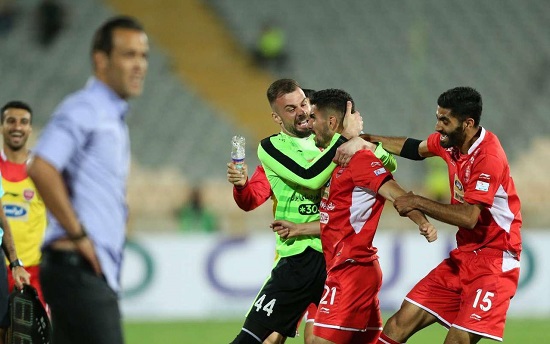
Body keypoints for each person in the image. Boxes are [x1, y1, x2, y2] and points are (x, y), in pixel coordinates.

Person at [345, 87, 522, 344]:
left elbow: (469, 217)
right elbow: (414, 148)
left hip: (495, 262)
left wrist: (417, 201)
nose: (437, 126)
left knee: (456, 341)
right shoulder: (451, 143)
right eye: (438, 117)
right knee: (398, 324)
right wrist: (365, 139)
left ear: (468, 123)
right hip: (464, 257)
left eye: (444, 120)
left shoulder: (488, 157)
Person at [227, 89, 397, 344]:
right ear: (277, 117)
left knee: (315, 338)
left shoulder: (327, 141)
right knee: (270, 338)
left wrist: (361, 142)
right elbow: (253, 198)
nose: (301, 113)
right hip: (297, 253)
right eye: (291, 109)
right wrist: (241, 187)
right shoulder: (278, 151)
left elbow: (385, 164)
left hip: (334, 258)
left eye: (304, 105)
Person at [270, 89, 436, 344]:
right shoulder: (334, 160)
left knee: (316, 341)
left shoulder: (358, 160)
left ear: (332, 123)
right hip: (346, 269)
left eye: (313, 117)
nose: (309, 123)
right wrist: (298, 229)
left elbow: (396, 194)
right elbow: (335, 221)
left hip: (352, 270)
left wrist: (423, 222)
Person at [27, 15, 149, 344]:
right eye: (128, 54)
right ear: (101, 59)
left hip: (81, 271)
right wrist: (79, 234)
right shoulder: (86, 108)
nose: (139, 65)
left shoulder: (111, 116)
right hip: (76, 269)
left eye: (143, 55)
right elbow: (40, 166)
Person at [0, 101, 47, 308]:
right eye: (11, 121)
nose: (17, 127)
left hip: (33, 272)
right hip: (0, 270)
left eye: (23, 122)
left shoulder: (42, 170)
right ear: (2, 126)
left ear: (30, 128)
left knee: (38, 336)